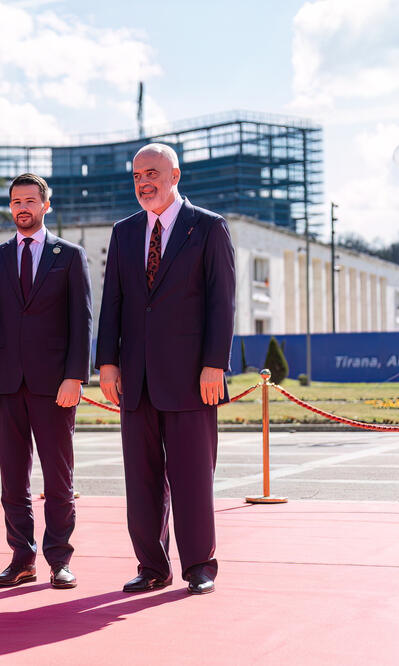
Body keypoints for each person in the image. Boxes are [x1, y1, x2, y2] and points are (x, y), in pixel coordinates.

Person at [96, 143, 236, 595]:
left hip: (192, 378)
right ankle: (152, 566)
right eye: (136, 176)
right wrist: (108, 362)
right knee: (142, 480)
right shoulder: (124, 232)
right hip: (135, 380)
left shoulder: (209, 228)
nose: (144, 182)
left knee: (193, 476)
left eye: (152, 173)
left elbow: (222, 303)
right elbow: (112, 302)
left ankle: (199, 566)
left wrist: (215, 364)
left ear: (175, 175)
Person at [0, 173, 92, 589]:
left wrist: (75, 376)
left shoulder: (70, 255)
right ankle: (21, 558)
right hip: (7, 385)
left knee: (59, 478)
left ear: (46, 205)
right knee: (13, 479)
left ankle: (60, 559)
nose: (22, 207)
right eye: (15, 202)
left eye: (29, 200)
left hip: (55, 386)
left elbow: (82, 322)